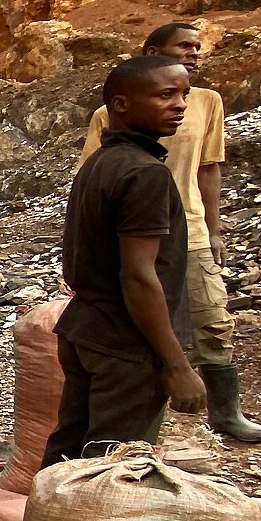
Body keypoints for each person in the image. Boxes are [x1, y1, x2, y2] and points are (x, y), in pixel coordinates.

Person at [79, 22, 261, 442]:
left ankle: (225, 412)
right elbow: (94, 176)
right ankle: (147, 411)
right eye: (184, 46)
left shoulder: (207, 103)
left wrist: (214, 228)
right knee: (138, 317)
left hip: (190, 229)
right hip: (138, 230)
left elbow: (209, 168)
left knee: (212, 320)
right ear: (152, 52)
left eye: (197, 48)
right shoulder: (122, 131)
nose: (193, 54)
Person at [45, 55, 209, 466]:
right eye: (165, 95)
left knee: (68, 454)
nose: (180, 105)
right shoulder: (145, 174)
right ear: (121, 104)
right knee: (111, 466)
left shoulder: (101, 162)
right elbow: (138, 276)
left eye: (184, 94)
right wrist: (177, 365)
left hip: (86, 330)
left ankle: (41, 510)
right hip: (126, 343)